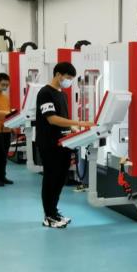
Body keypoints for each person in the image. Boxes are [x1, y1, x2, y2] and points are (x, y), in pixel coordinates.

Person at [35, 62, 93, 229]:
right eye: (68, 77)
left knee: (60, 179)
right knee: (51, 178)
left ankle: (54, 211)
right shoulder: (45, 93)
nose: (69, 81)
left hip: (64, 143)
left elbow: (63, 119)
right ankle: (48, 216)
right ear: (58, 74)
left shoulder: (62, 95)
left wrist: (74, 129)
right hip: (49, 143)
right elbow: (52, 119)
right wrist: (79, 123)